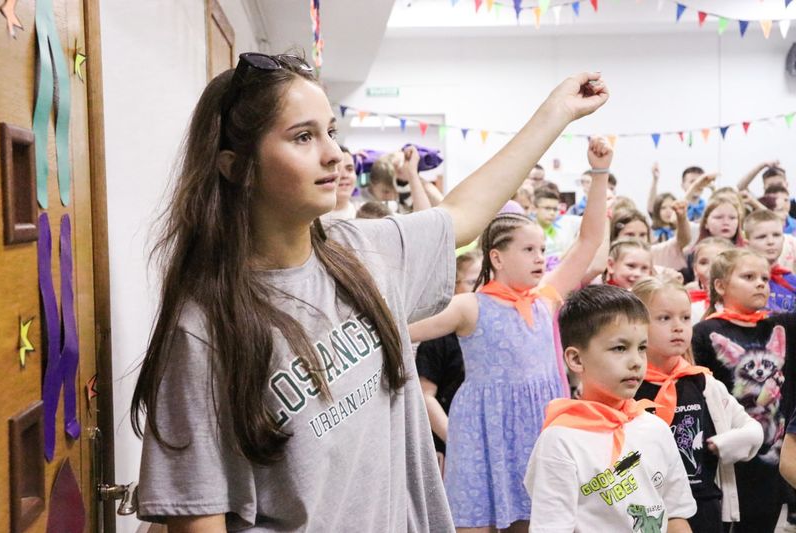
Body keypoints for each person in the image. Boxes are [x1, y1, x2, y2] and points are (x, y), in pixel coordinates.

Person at [129, 51, 610, 531]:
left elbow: (463, 215)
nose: (334, 154)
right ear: (235, 167)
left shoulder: (363, 251)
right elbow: (199, 520)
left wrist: (557, 113)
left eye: (331, 131)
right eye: (303, 136)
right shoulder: (203, 328)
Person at [408, 136, 612, 532]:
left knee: (535, 523)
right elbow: (405, 327)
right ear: (497, 257)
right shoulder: (471, 306)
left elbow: (588, 242)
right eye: (529, 250)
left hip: (537, 426)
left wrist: (599, 174)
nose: (540, 258)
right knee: (474, 524)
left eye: (541, 250)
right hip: (483, 431)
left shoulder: (546, 298)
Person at [524, 284, 697, 532]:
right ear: (575, 359)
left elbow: (675, 516)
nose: (636, 362)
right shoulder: (560, 441)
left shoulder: (655, 427)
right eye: (619, 348)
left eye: (641, 348)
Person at [632, 278, 763, 532]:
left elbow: (753, 429)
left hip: (702, 505)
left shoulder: (704, 383)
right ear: (636, 325)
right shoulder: (629, 386)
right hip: (649, 506)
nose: (678, 327)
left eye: (684, 317)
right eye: (664, 318)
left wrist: (725, 443)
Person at [692, 249, 796, 533]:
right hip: (732, 458)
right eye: (748, 277)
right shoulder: (704, 332)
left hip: (776, 459)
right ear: (721, 286)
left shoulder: (783, 325)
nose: (761, 283)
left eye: (764, 277)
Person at [415, 251, 482, 476]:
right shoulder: (438, 337)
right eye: (473, 281)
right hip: (448, 441)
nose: (479, 289)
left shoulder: (489, 329)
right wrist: (456, 440)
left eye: (484, 280)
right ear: (454, 287)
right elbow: (426, 396)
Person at [743, 209, 796, 313]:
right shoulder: (740, 281)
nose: (770, 242)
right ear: (746, 244)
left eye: (776, 235)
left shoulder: (792, 281)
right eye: (761, 237)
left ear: (783, 239)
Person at [685, 237, 733, 324]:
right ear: (695, 269)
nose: (711, 268)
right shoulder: (687, 307)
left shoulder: (748, 305)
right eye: (703, 262)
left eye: (718, 262)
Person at [321, 145, 358, 222]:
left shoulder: (364, 214)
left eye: (350, 169)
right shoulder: (309, 221)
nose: (344, 175)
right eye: (337, 169)